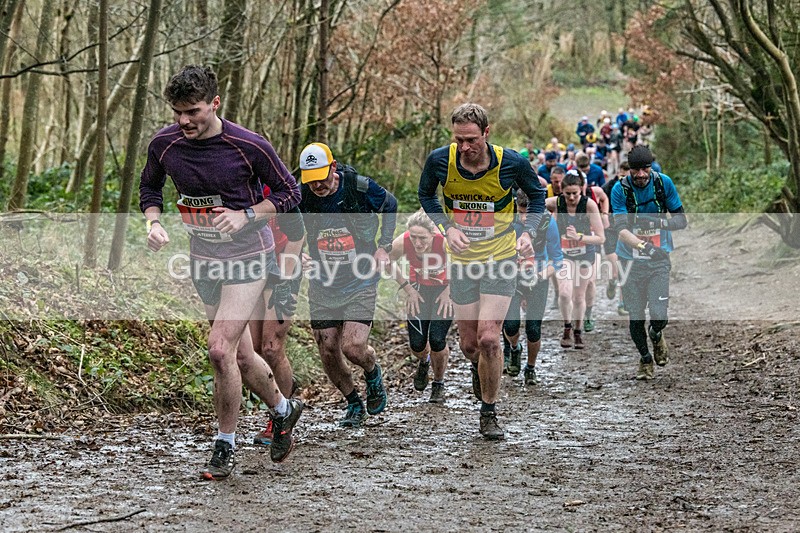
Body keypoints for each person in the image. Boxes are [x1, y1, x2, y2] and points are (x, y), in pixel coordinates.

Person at [139, 65, 304, 479]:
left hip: (250, 255)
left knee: (218, 348)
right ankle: (284, 409)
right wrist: (153, 222)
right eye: (177, 112)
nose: (184, 121)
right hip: (204, 259)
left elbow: (290, 192)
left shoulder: (249, 145)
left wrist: (246, 214)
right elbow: (150, 188)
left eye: (193, 111)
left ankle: (224, 445)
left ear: (215, 103)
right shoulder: (164, 144)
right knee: (242, 356)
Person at [418, 103, 546, 440]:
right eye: (458, 140)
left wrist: (527, 233)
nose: (464, 147)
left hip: (500, 257)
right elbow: (425, 194)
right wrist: (447, 227)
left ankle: (488, 411)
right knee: (470, 344)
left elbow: (537, 194)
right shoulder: (439, 161)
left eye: (471, 140)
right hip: (462, 261)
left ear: (486, 134)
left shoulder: (511, 162)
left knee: (490, 338)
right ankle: (481, 368)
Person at [298, 142, 397, 427]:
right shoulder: (301, 193)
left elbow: (390, 205)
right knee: (328, 349)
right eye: (311, 180)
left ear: (333, 167)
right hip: (323, 280)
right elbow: (285, 223)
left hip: (360, 277)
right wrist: (295, 252)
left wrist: (384, 246)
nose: (317, 186)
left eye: (322, 178)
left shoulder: (359, 187)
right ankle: (354, 402)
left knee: (352, 347)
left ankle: (371, 370)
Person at [610, 145, 687, 380]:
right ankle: (645, 359)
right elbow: (620, 229)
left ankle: (656, 334)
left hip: (659, 259)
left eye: (645, 168)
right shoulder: (619, 189)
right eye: (636, 170)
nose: (641, 174)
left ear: (651, 167)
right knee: (635, 315)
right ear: (629, 170)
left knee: (658, 314)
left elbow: (681, 220)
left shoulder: (664, 183)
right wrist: (644, 247)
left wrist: (659, 225)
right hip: (629, 259)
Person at [249, 208, 305, 446]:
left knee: (272, 347)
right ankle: (285, 396)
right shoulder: (231, 180)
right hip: (251, 266)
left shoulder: (275, 181)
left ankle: (280, 419)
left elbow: (298, 232)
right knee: (252, 350)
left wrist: (286, 279)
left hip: (283, 268)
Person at [386, 209, 453, 403]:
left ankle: (438, 384)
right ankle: (424, 362)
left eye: (422, 238)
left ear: (433, 233)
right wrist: (408, 289)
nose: (417, 243)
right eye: (414, 237)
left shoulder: (445, 240)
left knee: (437, 339)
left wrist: (450, 291)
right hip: (418, 289)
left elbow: (466, 265)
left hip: (444, 290)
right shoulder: (403, 241)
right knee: (417, 344)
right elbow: (387, 260)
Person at [502, 189, 563, 385]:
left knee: (533, 328)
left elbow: (557, 260)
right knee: (510, 325)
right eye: (520, 211)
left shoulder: (547, 222)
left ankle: (530, 367)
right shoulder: (506, 218)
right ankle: (514, 348)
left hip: (538, 276)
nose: (524, 217)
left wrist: (539, 276)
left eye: (529, 213)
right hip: (510, 276)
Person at [545, 170, 605, 350]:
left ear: (582, 191)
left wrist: (579, 237)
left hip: (585, 254)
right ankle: (567, 327)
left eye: (575, 194)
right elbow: (533, 202)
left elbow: (601, 238)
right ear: (561, 192)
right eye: (567, 193)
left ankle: (578, 331)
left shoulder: (590, 205)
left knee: (579, 297)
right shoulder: (556, 203)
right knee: (564, 292)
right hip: (564, 255)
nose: (571, 198)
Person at [601, 161, 630, 315]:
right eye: (622, 175)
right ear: (618, 172)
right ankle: (612, 282)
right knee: (616, 268)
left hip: (627, 230)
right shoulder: (608, 187)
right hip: (611, 230)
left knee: (624, 267)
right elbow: (600, 201)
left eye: (627, 177)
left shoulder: (635, 188)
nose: (623, 179)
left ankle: (622, 303)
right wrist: (604, 216)